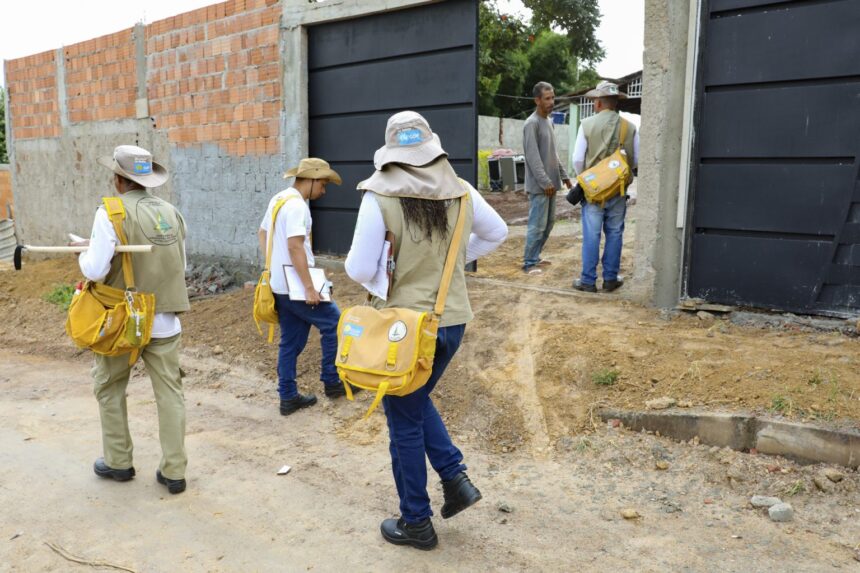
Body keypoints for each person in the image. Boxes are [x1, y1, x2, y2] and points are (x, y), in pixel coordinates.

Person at [345, 111, 508, 550]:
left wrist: (388, 280)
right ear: (431, 146)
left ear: (391, 152)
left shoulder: (378, 194)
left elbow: (358, 268)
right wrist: (451, 266)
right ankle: (455, 480)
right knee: (413, 401)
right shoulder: (462, 190)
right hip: (451, 320)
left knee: (403, 417)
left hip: (402, 328)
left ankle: (416, 520)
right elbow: (498, 232)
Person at [77, 145, 190, 494]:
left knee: (110, 388)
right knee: (170, 394)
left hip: (122, 321)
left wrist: (84, 252)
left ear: (119, 179)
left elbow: (95, 269)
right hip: (166, 319)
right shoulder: (172, 213)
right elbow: (180, 266)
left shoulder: (109, 212)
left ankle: (118, 462)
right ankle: (174, 472)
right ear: (146, 180)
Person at [257, 158, 347, 416]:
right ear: (313, 179)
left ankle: (288, 397)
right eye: (324, 184)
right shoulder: (297, 206)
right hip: (297, 287)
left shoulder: (279, 199)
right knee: (334, 324)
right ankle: (332, 382)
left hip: (280, 284)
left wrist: (273, 264)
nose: (324, 191)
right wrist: (309, 287)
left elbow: (262, 233)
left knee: (290, 342)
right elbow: (296, 245)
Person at [571, 81, 639, 293]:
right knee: (615, 232)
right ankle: (610, 279)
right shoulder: (630, 127)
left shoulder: (586, 125)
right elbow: (635, 161)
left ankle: (588, 281)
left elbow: (576, 160)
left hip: (592, 192)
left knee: (591, 235)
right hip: (618, 190)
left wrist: (587, 178)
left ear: (599, 103)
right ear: (616, 102)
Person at [522, 81, 572, 275]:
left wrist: (565, 177)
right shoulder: (531, 124)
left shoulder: (549, 122)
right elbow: (533, 158)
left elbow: (553, 154)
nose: (552, 102)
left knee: (549, 224)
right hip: (540, 186)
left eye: (553, 97)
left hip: (552, 184)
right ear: (537, 100)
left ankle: (535, 256)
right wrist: (545, 182)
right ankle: (529, 262)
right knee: (537, 225)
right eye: (547, 98)